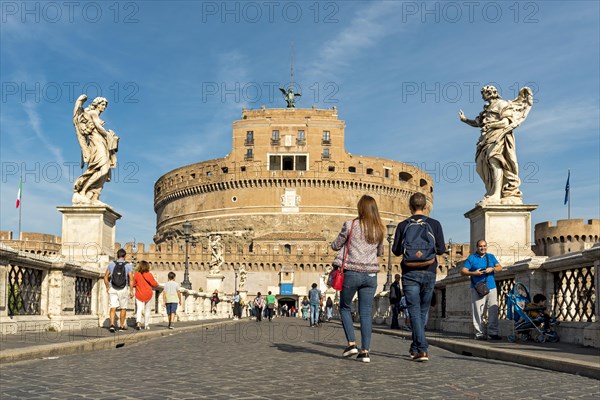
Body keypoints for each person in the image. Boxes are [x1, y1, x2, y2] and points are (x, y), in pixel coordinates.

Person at [392, 192, 445, 362]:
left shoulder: (403, 225)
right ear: (426, 206)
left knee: (414, 310)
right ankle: (417, 348)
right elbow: (441, 249)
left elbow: (396, 251)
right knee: (422, 311)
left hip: (410, 272)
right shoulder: (435, 224)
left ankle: (421, 348)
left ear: (410, 206)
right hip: (429, 271)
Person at [458, 85, 533, 205]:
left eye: (484, 93)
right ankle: (491, 190)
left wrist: (491, 125)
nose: (482, 95)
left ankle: (496, 194)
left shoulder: (502, 104)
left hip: (499, 135)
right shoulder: (486, 109)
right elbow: (478, 123)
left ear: (491, 93)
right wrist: (465, 120)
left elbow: (506, 122)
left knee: (494, 160)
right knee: (480, 166)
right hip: (485, 138)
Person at [333, 195, 385, 363]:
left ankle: (351, 344)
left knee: (345, 307)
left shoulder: (351, 225)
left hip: (352, 272)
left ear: (360, 208)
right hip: (371, 275)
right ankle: (365, 352)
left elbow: (337, 244)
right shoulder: (379, 229)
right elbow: (380, 252)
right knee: (365, 313)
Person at [72, 95, 119, 205]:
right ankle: (83, 191)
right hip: (96, 144)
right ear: (97, 104)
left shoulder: (95, 115)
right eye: (102, 104)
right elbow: (98, 127)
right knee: (103, 167)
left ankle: (94, 196)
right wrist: (109, 134)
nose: (104, 107)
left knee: (105, 170)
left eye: (105, 105)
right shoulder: (93, 113)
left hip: (102, 142)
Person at [461, 239, 503, 341]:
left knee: (493, 310)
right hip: (477, 288)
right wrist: (474, 273)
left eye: (484, 246)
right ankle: (479, 333)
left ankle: (493, 332)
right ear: (477, 247)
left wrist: (492, 269)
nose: (483, 248)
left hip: (491, 287)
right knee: (477, 311)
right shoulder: (472, 258)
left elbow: (500, 267)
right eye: (480, 246)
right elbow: (463, 271)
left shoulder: (491, 257)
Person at [103, 248, 134, 332]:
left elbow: (105, 277)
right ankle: (121, 326)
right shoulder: (128, 265)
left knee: (113, 307)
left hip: (113, 287)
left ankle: (112, 325)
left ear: (117, 255)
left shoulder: (111, 264)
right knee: (123, 308)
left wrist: (107, 286)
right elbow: (131, 279)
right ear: (125, 256)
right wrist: (131, 291)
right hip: (123, 288)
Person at [132, 260, 159, 330]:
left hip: (139, 293)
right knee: (147, 309)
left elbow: (133, 284)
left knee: (139, 308)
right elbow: (155, 284)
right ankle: (146, 325)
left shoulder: (136, 274)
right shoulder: (149, 274)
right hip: (148, 294)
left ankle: (138, 322)